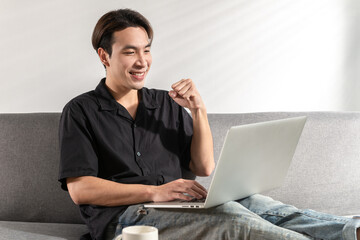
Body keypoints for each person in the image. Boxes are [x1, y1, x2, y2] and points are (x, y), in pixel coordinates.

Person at [58, 9, 360, 240]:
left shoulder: (165, 103)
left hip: (179, 205)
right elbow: (81, 189)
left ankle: (351, 231)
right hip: (125, 219)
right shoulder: (80, 111)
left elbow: (203, 167)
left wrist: (199, 109)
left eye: (146, 49)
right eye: (129, 51)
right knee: (232, 217)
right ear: (104, 56)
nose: (142, 61)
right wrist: (153, 192)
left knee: (264, 206)